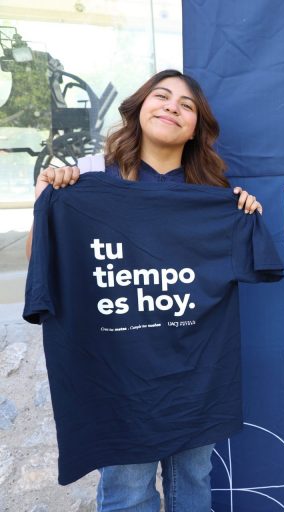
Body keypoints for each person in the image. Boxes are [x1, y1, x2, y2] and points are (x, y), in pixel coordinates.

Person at [26, 69, 263, 511]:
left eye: (187, 105)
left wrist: (240, 214)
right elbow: (41, 263)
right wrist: (47, 201)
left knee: (194, 481)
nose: (172, 107)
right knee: (128, 491)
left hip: (194, 372)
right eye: (162, 96)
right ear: (139, 108)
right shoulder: (88, 178)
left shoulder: (211, 195)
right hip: (117, 375)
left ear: (196, 129)